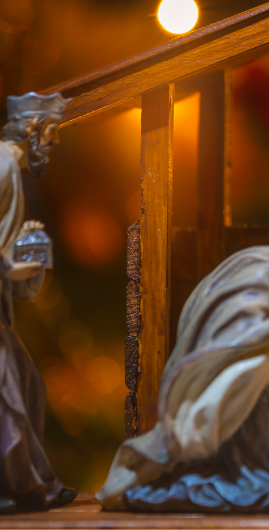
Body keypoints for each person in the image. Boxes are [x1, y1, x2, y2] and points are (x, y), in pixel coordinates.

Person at [97, 185, 269, 512]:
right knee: (259, 486)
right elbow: (238, 341)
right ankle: (150, 494)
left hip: (253, 384)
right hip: (233, 397)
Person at [0, 92, 76, 513]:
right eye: (49, 134)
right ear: (31, 131)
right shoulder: (1, 167)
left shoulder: (12, 172)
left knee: (27, 384)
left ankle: (32, 484)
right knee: (9, 397)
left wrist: (28, 253)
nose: (52, 144)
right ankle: (24, 489)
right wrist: (9, 268)